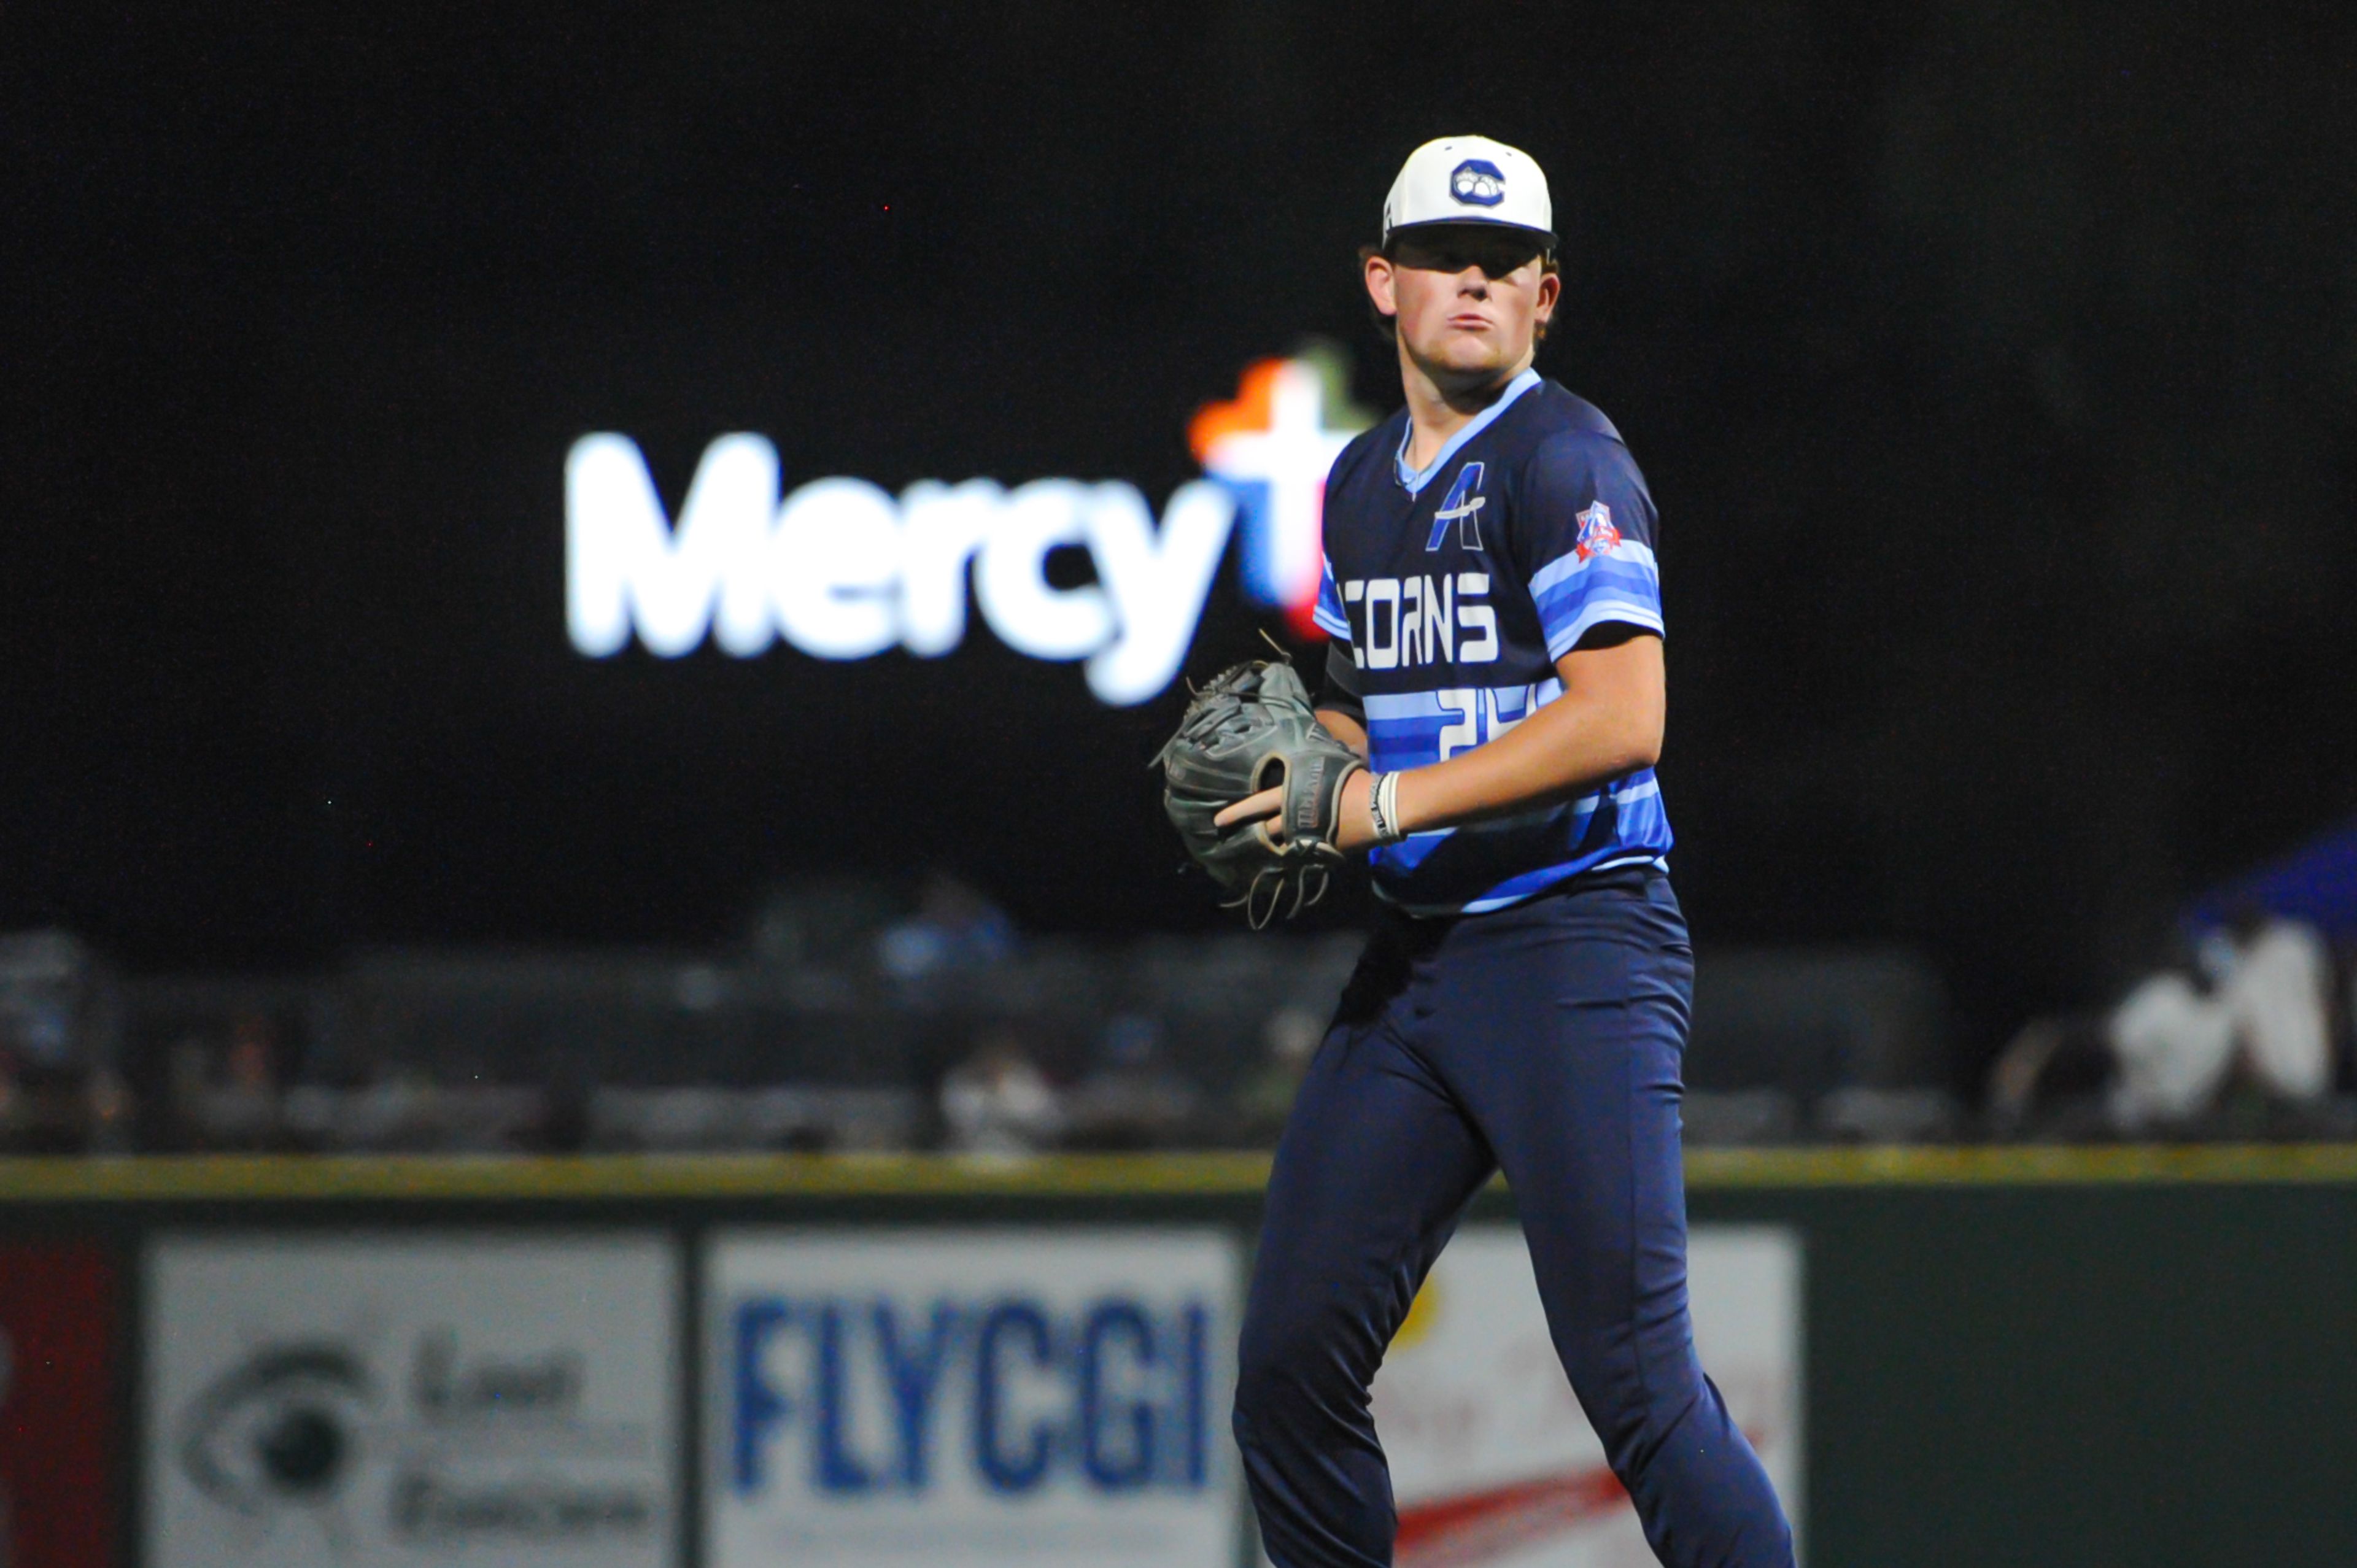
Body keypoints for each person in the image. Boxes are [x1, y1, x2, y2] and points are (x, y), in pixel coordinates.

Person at [1212, 137, 1793, 1566]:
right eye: (1438, 255)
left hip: (1576, 943)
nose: (1468, 279)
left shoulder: (1562, 457)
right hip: (1420, 970)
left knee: (1641, 1395)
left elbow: (1625, 718)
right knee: (1287, 1370)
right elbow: (1360, 699)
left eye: (1501, 262)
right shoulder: (1353, 484)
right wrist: (1317, 767)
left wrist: (1387, 806)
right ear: (1381, 280)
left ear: (1544, 296)